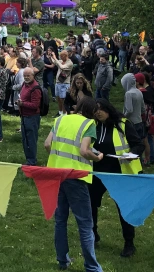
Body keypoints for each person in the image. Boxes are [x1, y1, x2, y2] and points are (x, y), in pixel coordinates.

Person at [43, 98, 103, 272]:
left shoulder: (60, 118)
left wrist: (56, 158)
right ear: (92, 112)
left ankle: (63, 261)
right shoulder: (89, 124)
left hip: (55, 175)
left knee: (60, 220)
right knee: (85, 224)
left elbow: (47, 144)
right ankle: (92, 267)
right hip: (75, 177)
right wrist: (97, 157)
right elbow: (84, 151)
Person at [90, 99, 144, 257]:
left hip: (120, 173)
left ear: (108, 109)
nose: (98, 112)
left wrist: (131, 155)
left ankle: (129, 243)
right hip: (97, 172)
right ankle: (93, 236)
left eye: (101, 109)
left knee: (124, 209)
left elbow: (138, 144)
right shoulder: (92, 125)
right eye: (95, 110)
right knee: (90, 205)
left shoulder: (123, 124)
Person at [19, 67, 42, 165]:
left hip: (32, 117)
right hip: (24, 116)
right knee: (25, 139)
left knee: (31, 139)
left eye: (28, 75)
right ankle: (28, 159)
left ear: (33, 76)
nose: (26, 77)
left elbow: (35, 105)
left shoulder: (35, 88)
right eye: (24, 75)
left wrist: (22, 104)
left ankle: (32, 161)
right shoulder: (25, 84)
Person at [52, 50, 74, 115]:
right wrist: (50, 57)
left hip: (65, 83)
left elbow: (62, 67)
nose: (60, 57)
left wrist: (55, 58)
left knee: (63, 99)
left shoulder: (70, 63)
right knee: (58, 98)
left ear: (65, 56)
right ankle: (60, 112)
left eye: (61, 56)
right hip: (58, 82)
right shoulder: (61, 61)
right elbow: (54, 63)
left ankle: (65, 113)